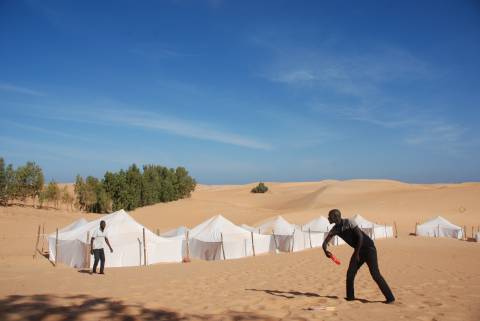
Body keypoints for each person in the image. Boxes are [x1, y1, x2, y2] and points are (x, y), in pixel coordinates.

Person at [322, 209, 395, 303]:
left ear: (336, 217)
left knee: (375, 274)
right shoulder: (335, 229)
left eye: (330, 216)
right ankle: (350, 298)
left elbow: (360, 237)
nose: (328, 218)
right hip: (358, 250)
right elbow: (325, 242)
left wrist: (356, 254)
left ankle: (390, 298)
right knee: (350, 274)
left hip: (369, 249)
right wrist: (326, 251)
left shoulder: (349, 222)